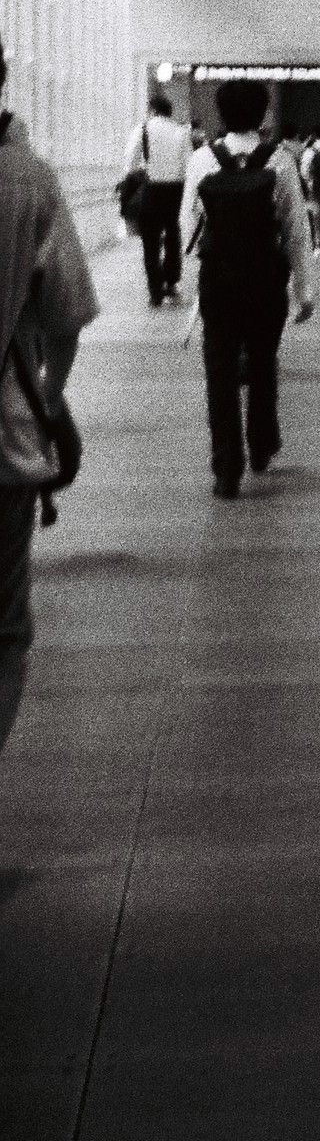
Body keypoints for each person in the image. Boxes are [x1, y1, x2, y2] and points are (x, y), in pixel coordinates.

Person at [0, 43, 98, 751]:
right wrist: (48, 394)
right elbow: (66, 311)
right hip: (3, 437)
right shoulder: (29, 179)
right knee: (3, 623)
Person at [181, 81, 314, 498]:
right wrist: (303, 289)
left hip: (218, 280)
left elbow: (188, 226)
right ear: (263, 116)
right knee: (262, 361)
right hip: (265, 279)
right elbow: (295, 230)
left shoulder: (202, 159)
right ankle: (260, 445)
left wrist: (192, 293)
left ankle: (226, 468)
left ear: (221, 115)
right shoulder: (281, 161)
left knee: (219, 372)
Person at [124, 91, 191, 307]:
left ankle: (155, 291)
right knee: (172, 233)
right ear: (169, 112)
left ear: (152, 110)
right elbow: (187, 164)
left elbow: (131, 163)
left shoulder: (142, 129)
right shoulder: (181, 132)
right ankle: (171, 280)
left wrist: (145, 169)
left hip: (150, 189)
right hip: (175, 190)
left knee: (150, 241)